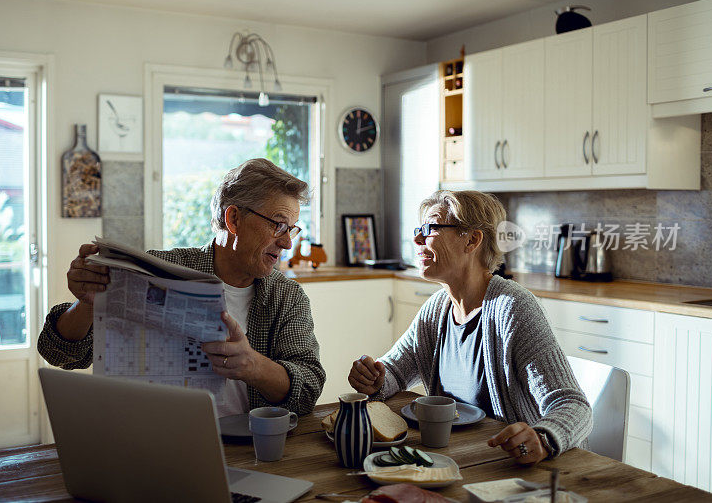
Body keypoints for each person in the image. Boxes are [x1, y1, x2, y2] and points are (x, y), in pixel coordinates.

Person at [38, 158, 326, 416]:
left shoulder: (286, 297)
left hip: (252, 450)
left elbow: (308, 389)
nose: (288, 242)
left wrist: (253, 365)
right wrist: (88, 304)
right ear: (234, 219)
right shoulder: (155, 272)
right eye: (278, 225)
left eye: (291, 229)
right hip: (154, 441)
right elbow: (58, 353)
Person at [347, 190, 592, 464]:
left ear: (472, 240)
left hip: (509, 467)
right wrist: (373, 378)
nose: (417, 239)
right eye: (418, 229)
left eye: (430, 229)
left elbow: (573, 405)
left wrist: (545, 437)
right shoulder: (437, 308)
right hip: (452, 460)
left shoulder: (512, 307)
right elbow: (392, 371)